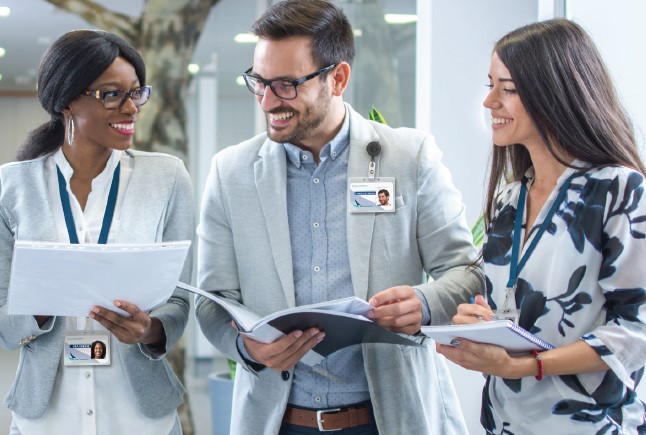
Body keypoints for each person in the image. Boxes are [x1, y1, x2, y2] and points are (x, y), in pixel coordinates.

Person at [195, 1, 483, 433]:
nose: (269, 100)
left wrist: (423, 303)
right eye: (260, 82)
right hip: (278, 421)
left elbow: (466, 270)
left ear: (338, 78)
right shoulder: (231, 172)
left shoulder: (409, 157)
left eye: (288, 85)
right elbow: (211, 299)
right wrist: (246, 347)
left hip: (391, 417)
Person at [436, 19, 646, 434]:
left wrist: (524, 365)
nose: (489, 102)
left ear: (554, 93)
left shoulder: (618, 189)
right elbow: (511, 304)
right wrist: (481, 322)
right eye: (490, 85)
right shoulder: (510, 199)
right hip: (508, 423)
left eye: (508, 89)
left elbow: (636, 331)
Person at [0, 30, 194, 435]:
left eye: (136, 93)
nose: (130, 108)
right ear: (67, 99)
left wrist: (151, 329)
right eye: (111, 94)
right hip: (46, 418)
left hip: (142, 417)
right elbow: (4, 324)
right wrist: (43, 301)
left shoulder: (168, 177)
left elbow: (178, 298)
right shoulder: (11, 187)